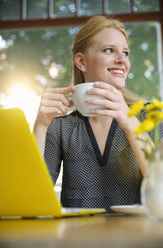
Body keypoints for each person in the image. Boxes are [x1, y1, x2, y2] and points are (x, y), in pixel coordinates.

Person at [33, 16, 152, 213]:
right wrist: (40, 126)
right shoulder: (59, 127)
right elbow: (33, 198)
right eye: (109, 50)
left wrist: (131, 125)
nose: (122, 60)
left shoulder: (148, 116)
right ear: (81, 61)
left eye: (125, 53)